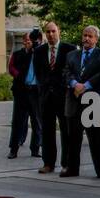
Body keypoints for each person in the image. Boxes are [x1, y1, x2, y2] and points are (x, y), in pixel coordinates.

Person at [62, 25, 100, 179]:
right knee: (73, 139)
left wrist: (86, 85)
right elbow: (66, 72)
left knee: (95, 139)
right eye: (85, 35)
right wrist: (74, 84)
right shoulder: (71, 55)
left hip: (93, 102)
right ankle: (72, 169)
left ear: (96, 39)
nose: (86, 39)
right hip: (74, 101)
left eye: (90, 36)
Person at [32, 22, 75, 174]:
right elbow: (38, 73)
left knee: (65, 131)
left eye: (53, 31)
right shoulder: (39, 51)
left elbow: (72, 70)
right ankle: (48, 163)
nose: (50, 34)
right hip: (46, 97)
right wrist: (43, 88)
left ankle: (66, 163)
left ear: (59, 31)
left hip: (63, 97)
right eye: (48, 32)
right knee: (47, 131)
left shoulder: (69, 49)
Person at [7, 30, 41, 160]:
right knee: (18, 121)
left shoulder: (39, 53)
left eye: (31, 41)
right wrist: (19, 76)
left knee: (37, 121)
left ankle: (36, 148)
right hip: (21, 91)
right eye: (26, 41)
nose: (28, 43)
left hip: (35, 91)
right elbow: (11, 68)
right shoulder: (18, 54)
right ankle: (13, 149)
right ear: (23, 42)